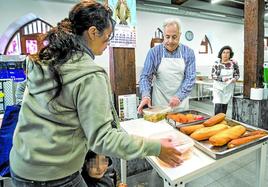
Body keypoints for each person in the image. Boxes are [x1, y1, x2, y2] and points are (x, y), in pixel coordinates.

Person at [9, 1, 182, 186]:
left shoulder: (47, 59)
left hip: (22, 166)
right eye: (107, 37)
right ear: (92, 32)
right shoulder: (89, 75)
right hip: (54, 174)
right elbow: (103, 138)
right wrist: (156, 147)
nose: (108, 43)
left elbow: (34, 103)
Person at [138, 18, 196, 113]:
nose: (170, 41)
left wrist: (179, 96)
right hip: (160, 104)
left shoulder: (188, 52)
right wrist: (146, 96)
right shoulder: (154, 52)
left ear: (180, 35)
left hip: (180, 104)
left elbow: (190, 78)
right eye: (167, 36)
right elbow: (145, 76)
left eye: (174, 37)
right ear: (163, 35)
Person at [211, 45, 240, 115]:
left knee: (224, 103)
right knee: (218, 103)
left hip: (228, 87)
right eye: (224, 52)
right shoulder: (217, 63)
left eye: (228, 53)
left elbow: (237, 75)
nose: (225, 54)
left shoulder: (234, 63)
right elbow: (213, 75)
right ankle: (216, 120)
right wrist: (222, 79)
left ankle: (222, 119)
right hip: (218, 87)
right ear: (221, 54)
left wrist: (234, 79)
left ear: (230, 54)